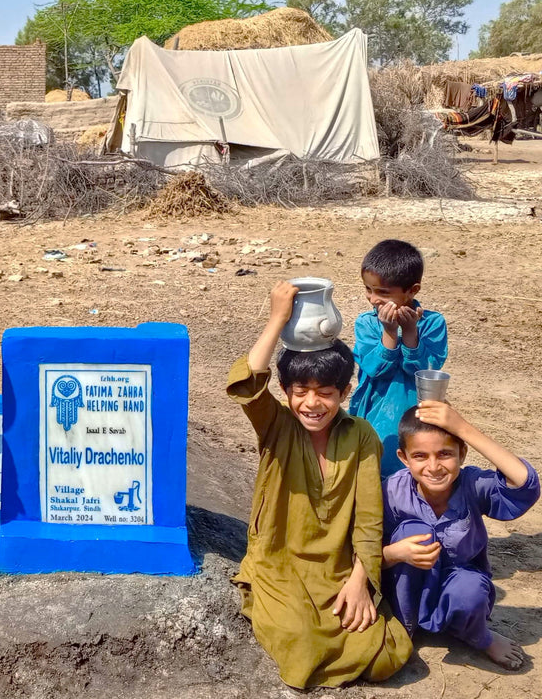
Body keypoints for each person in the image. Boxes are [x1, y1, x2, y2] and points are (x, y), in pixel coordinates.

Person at [226, 280, 411, 688]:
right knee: (301, 642)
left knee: (388, 653)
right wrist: (277, 317)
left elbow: (368, 516)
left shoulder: (361, 435)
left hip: (337, 567)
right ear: (285, 393)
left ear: (345, 391)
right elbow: (247, 382)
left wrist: (360, 582)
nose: (312, 404)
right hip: (281, 564)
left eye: (325, 393)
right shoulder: (277, 426)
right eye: (301, 392)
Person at [382, 401, 539, 670]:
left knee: (469, 591)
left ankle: (477, 636)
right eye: (420, 456)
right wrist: (394, 553)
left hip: (459, 587)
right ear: (403, 458)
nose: (434, 467)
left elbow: (525, 484)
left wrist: (463, 428)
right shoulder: (392, 491)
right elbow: (363, 549)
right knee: (414, 533)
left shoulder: (471, 485)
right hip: (406, 588)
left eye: (445, 454)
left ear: (462, 453)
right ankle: (403, 628)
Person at [349, 239, 448, 476]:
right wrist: (390, 332)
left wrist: (411, 332)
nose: (373, 299)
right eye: (368, 289)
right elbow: (375, 369)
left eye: (382, 292)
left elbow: (427, 372)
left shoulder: (433, 324)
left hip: (417, 415)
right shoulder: (367, 324)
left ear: (412, 290)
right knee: (372, 471)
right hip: (373, 414)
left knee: (412, 472)